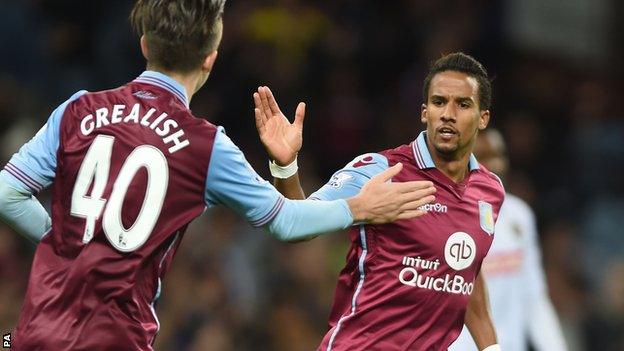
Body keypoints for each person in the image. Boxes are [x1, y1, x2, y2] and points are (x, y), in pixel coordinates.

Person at [0, 1, 437, 350]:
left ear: (145, 46)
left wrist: (64, 241)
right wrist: (359, 207)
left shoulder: (78, 108)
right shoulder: (206, 146)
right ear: (210, 59)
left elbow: (6, 194)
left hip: (32, 334)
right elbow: (285, 222)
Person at [253, 52, 505, 350]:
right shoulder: (381, 170)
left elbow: (466, 269)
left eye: (462, 104)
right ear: (425, 112)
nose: (448, 114)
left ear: (483, 117)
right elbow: (295, 221)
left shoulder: (490, 190)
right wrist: (285, 166)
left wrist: (491, 347)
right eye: (439, 102)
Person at [449, 129, 568, 351]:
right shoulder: (443, 219)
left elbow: (533, 295)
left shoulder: (519, 216)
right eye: (481, 156)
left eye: (497, 155)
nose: (492, 164)